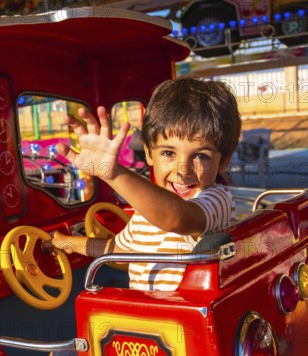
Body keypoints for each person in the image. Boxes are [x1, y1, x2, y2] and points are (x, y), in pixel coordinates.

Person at [51, 76, 240, 291]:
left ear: (224, 161)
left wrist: (113, 174)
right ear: (149, 154)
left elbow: (177, 218)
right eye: (168, 153)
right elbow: (120, 253)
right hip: (145, 319)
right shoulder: (145, 211)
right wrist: (67, 243)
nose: (183, 170)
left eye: (201, 156)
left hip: (184, 320)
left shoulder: (217, 199)